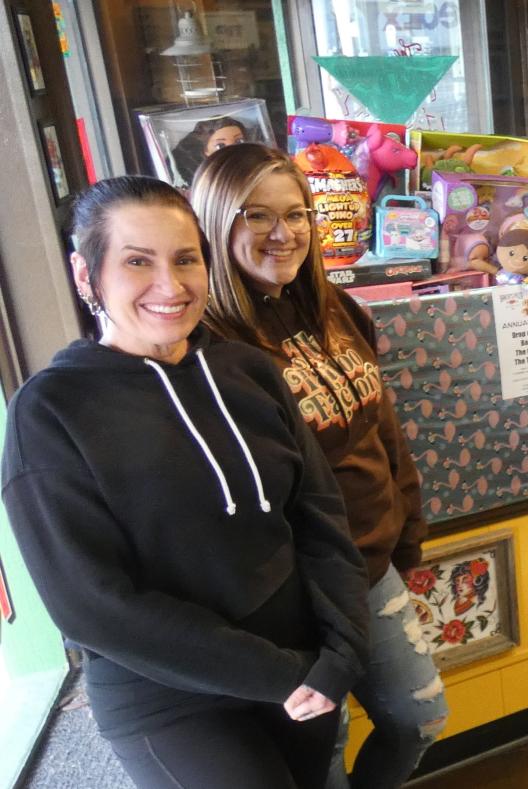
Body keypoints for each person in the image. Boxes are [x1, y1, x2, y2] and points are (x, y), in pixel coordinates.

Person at [2, 176, 370, 788]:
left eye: (186, 259)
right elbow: (91, 604)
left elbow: (319, 515)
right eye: (137, 262)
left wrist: (344, 648)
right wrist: (280, 674)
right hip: (168, 696)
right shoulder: (50, 410)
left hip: (302, 666)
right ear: (85, 274)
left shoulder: (248, 369)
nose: (170, 287)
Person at [191, 143, 447, 788]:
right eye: (255, 216)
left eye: (298, 213)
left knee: (420, 720)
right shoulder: (208, 346)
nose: (284, 234)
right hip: (291, 595)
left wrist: (408, 533)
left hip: (371, 567)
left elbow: (384, 430)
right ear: (214, 223)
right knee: (319, 756)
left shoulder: (334, 307)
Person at [170, 116, 251, 186]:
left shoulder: (251, 170)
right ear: (205, 151)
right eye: (220, 145)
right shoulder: (207, 180)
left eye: (239, 141)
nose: (233, 149)